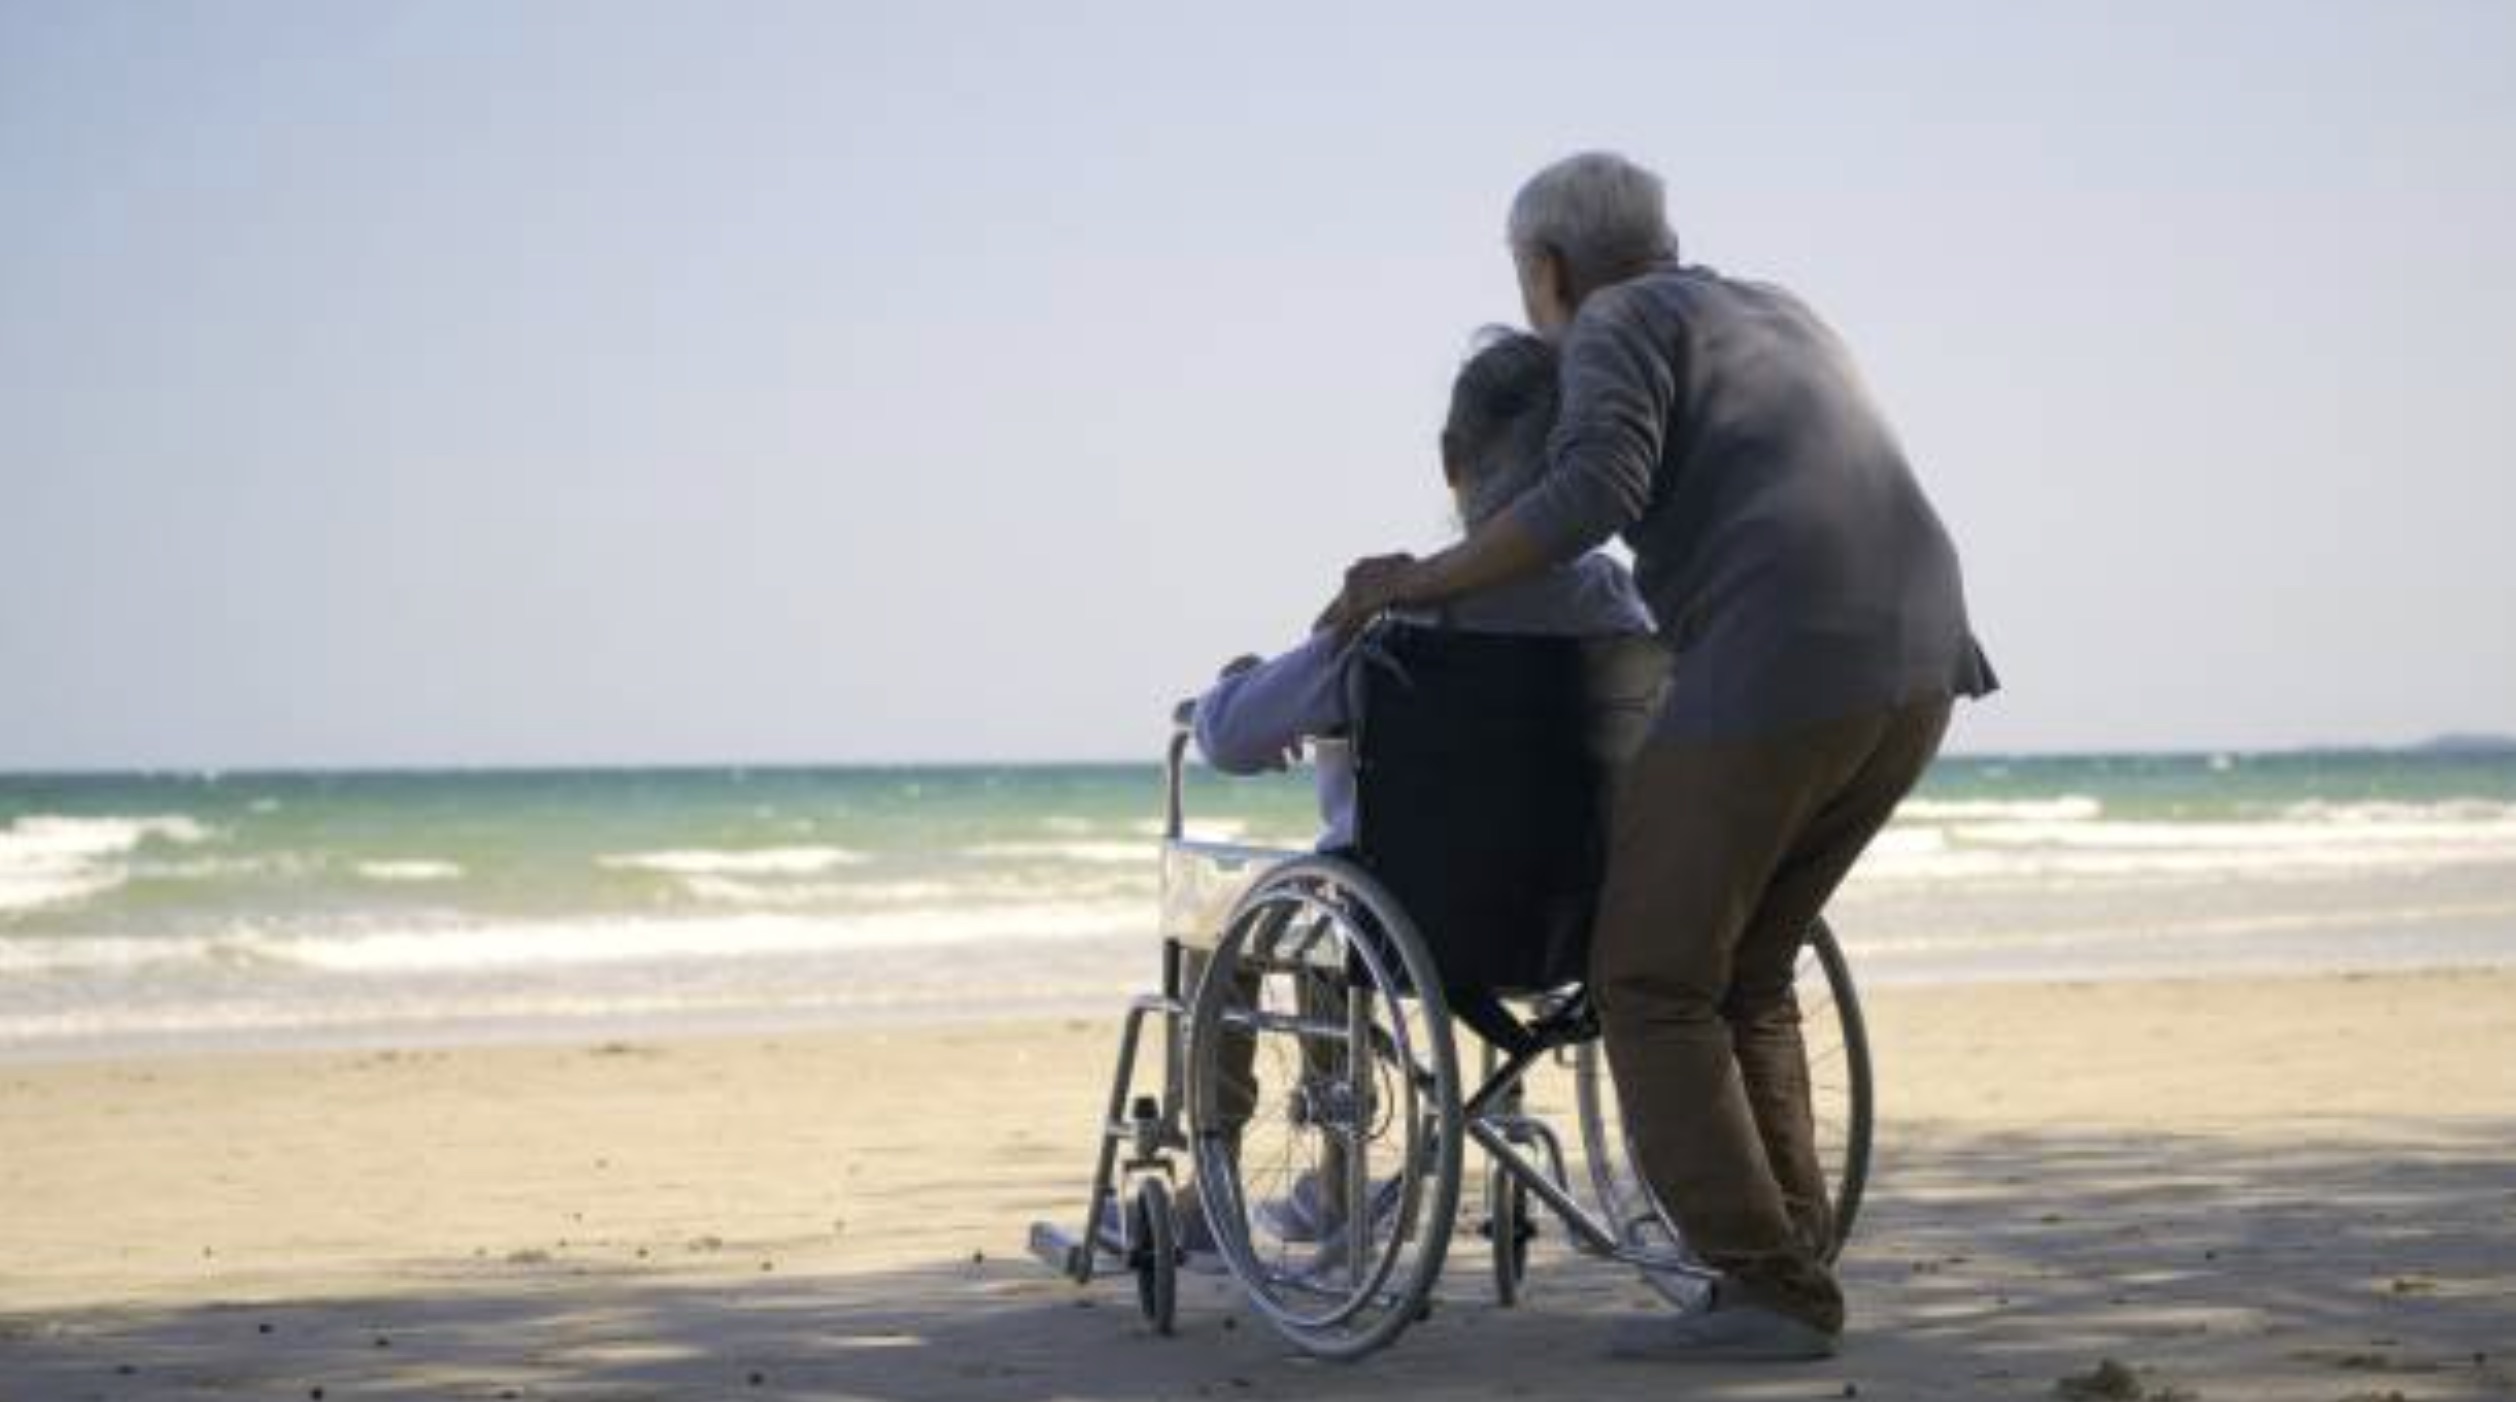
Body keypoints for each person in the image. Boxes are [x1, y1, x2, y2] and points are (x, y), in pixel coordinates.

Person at [1321, 152, 1996, 1362]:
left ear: (1547, 270)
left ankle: (1764, 1288)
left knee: (1645, 980)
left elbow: (1593, 491)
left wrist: (1414, 583)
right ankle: (1785, 1262)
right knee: (1744, 972)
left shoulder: (1615, 320)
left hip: (1782, 660)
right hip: (1919, 664)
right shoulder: (1778, 306)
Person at [1186, 327, 1664, 1251]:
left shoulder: (1404, 612)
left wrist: (1229, 686)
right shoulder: (1617, 604)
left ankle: (1262, 1189)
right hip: (1579, 923)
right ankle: (1332, 1185)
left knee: (1249, 919)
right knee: (1340, 899)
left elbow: (1232, 739)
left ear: (1453, 463)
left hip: (1403, 932)